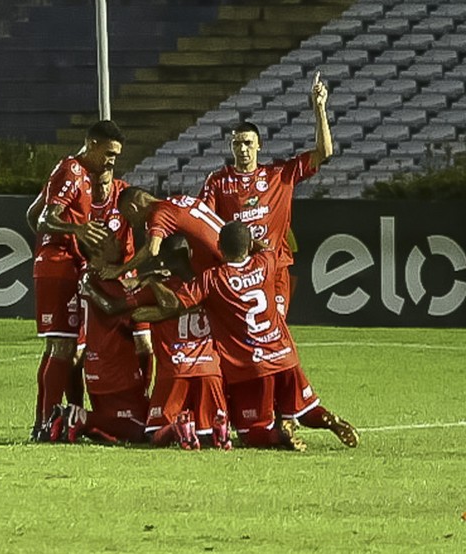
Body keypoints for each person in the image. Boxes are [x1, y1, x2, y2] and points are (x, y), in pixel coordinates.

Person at [130, 221, 359, 450]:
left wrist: (150, 283)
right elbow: (266, 247)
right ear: (249, 245)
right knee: (306, 409)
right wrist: (250, 242)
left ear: (218, 246)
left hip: (251, 365)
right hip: (284, 355)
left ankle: (280, 437)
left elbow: (173, 304)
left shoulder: (213, 278)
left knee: (252, 432)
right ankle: (327, 418)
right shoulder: (266, 262)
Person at [198, 72, 333, 316]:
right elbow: (203, 224)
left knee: (274, 327)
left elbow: (324, 152)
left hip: (274, 268)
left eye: (248, 143)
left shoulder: (279, 175)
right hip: (237, 270)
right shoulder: (218, 182)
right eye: (237, 143)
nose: (242, 149)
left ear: (259, 145)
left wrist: (319, 108)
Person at [80, 236, 230, 450]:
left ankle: (178, 428)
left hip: (176, 370)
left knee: (154, 435)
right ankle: (218, 431)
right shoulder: (208, 281)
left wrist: (89, 285)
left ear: (162, 261)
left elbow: (116, 308)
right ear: (189, 255)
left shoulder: (157, 288)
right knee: (205, 430)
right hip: (210, 370)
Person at [27, 120, 123, 441]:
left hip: (57, 263)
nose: (111, 161)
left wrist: (52, 245)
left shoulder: (73, 173)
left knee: (60, 347)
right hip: (59, 268)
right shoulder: (73, 172)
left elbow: (32, 214)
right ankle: (46, 425)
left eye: (116, 156)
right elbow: (44, 219)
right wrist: (74, 233)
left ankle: (45, 422)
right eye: (108, 153)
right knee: (64, 347)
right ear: (92, 144)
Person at [97, 186, 225, 282]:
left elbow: (152, 250)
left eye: (129, 218)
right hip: (236, 258)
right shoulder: (179, 199)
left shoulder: (159, 215)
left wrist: (120, 270)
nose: (133, 225)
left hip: (222, 269)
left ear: (133, 208)